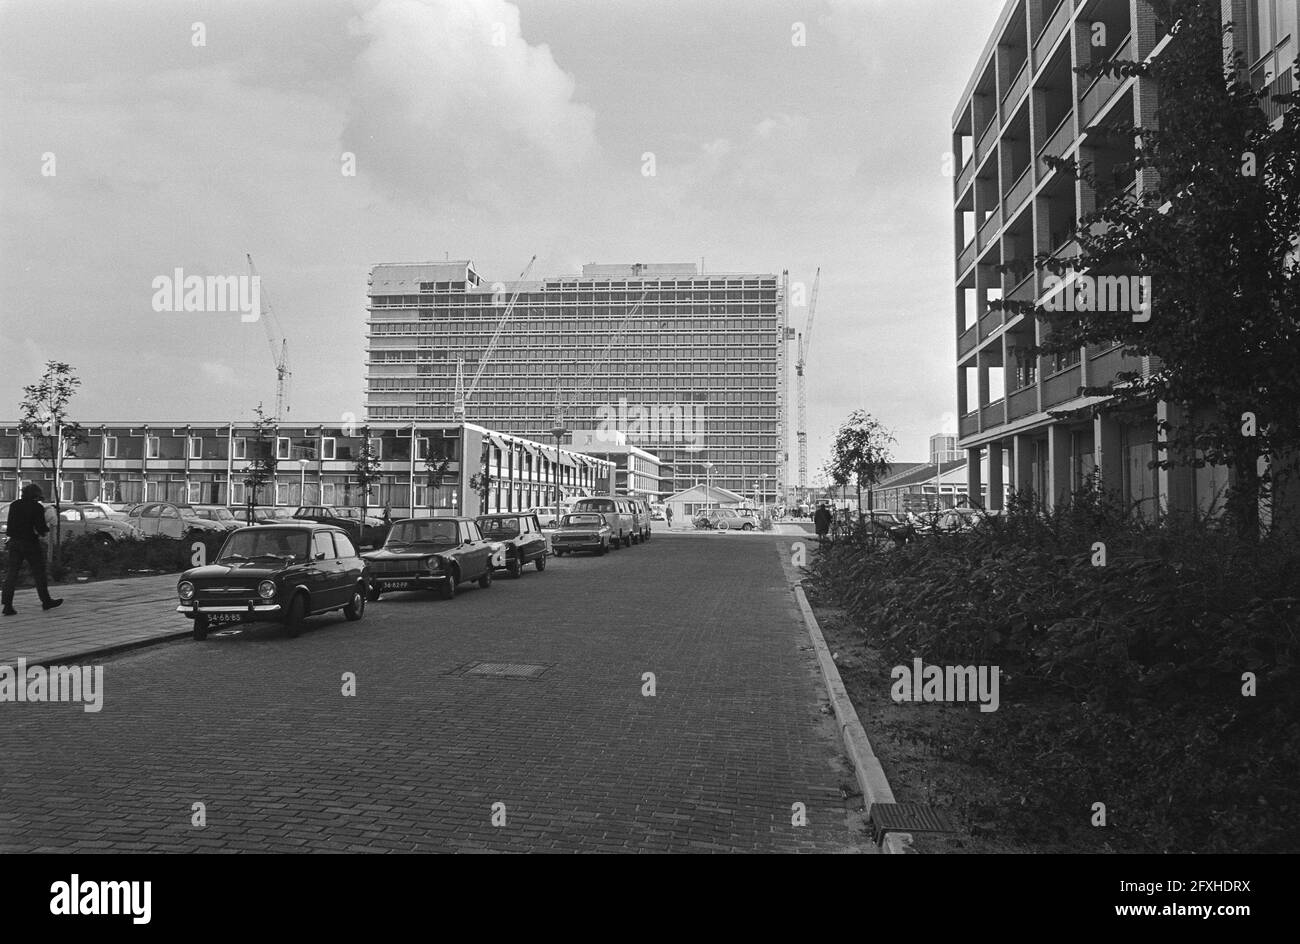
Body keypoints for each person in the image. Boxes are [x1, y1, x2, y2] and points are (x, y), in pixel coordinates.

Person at [3, 484, 64, 615]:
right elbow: (41, 529)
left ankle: (7, 605)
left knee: (12, 573)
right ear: (36, 495)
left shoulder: (14, 505)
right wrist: (47, 524)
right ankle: (46, 601)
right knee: (39, 572)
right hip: (30, 543)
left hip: (14, 542)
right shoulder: (37, 507)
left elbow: (10, 526)